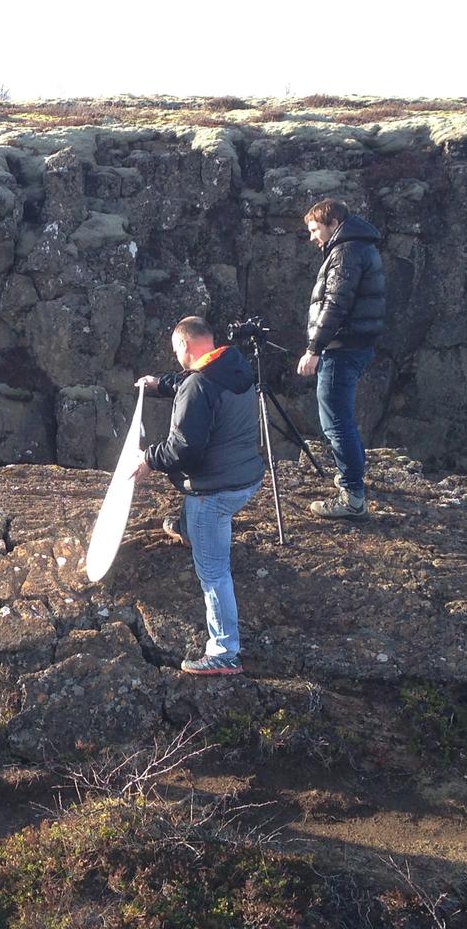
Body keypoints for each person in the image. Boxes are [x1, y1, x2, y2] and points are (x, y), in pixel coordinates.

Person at [132, 316, 264, 676]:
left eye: (177, 350)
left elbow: (182, 452)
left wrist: (147, 458)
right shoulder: (234, 364)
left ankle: (223, 651)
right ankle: (189, 530)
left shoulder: (198, 386)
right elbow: (198, 384)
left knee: (214, 573)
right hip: (247, 478)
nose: (176, 357)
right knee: (195, 512)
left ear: (186, 347)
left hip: (215, 493)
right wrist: (160, 384)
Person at [295, 198, 385, 519]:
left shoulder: (346, 252)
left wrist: (314, 349)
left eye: (315, 229)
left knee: (335, 422)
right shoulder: (359, 246)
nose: (312, 237)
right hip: (355, 345)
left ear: (333, 223)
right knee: (340, 419)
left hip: (342, 348)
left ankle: (352, 498)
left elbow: (336, 303)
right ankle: (352, 479)